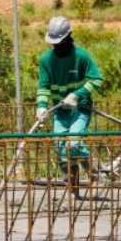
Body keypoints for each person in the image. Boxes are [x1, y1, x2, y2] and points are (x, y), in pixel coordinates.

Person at [36, 16, 104, 185]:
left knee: (73, 143)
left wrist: (77, 95)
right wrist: (41, 106)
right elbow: (43, 87)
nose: (56, 46)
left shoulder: (81, 56)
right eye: (54, 43)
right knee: (60, 146)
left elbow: (96, 80)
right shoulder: (46, 60)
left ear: (68, 38)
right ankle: (72, 182)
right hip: (60, 110)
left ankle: (92, 170)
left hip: (81, 108)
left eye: (59, 42)